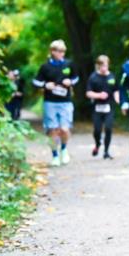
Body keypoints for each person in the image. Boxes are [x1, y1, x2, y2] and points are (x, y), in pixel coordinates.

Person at [32, 39, 79, 167]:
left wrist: (71, 82)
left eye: (63, 51)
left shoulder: (69, 64)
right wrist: (45, 85)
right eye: (59, 51)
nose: (61, 53)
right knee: (52, 130)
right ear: (52, 51)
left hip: (65, 102)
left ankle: (63, 149)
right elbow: (35, 82)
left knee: (64, 129)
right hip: (50, 102)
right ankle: (54, 155)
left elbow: (76, 78)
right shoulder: (45, 67)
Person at [86, 55, 119, 159]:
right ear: (98, 66)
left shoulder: (112, 77)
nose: (104, 68)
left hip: (109, 107)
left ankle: (106, 151)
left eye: (106, 65)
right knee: (97, 130)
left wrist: (117, 99)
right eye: (102, 66)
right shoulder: (93, 77)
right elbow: (88, 93)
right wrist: (99, 95)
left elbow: (116, 90)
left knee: (108, 128)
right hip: (97, 108)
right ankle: (97, 144)